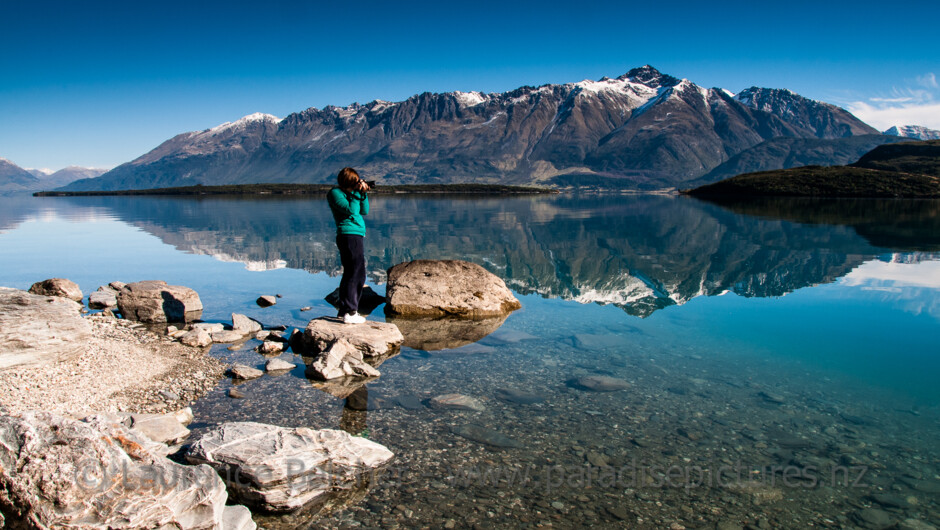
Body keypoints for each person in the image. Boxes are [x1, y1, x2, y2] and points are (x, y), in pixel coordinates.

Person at [327, 167, 371, 324]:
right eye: (356, 181)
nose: (358, 183)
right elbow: (351, 211)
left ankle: (345, 310)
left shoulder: (353, 194)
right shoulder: (335, 193)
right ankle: (350, 312)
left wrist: (363, 193)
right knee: (354, 272)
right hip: (348, 234)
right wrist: (357, 193)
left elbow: (364, 210)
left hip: (356, 234)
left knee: (357, 273)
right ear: (349, 181)